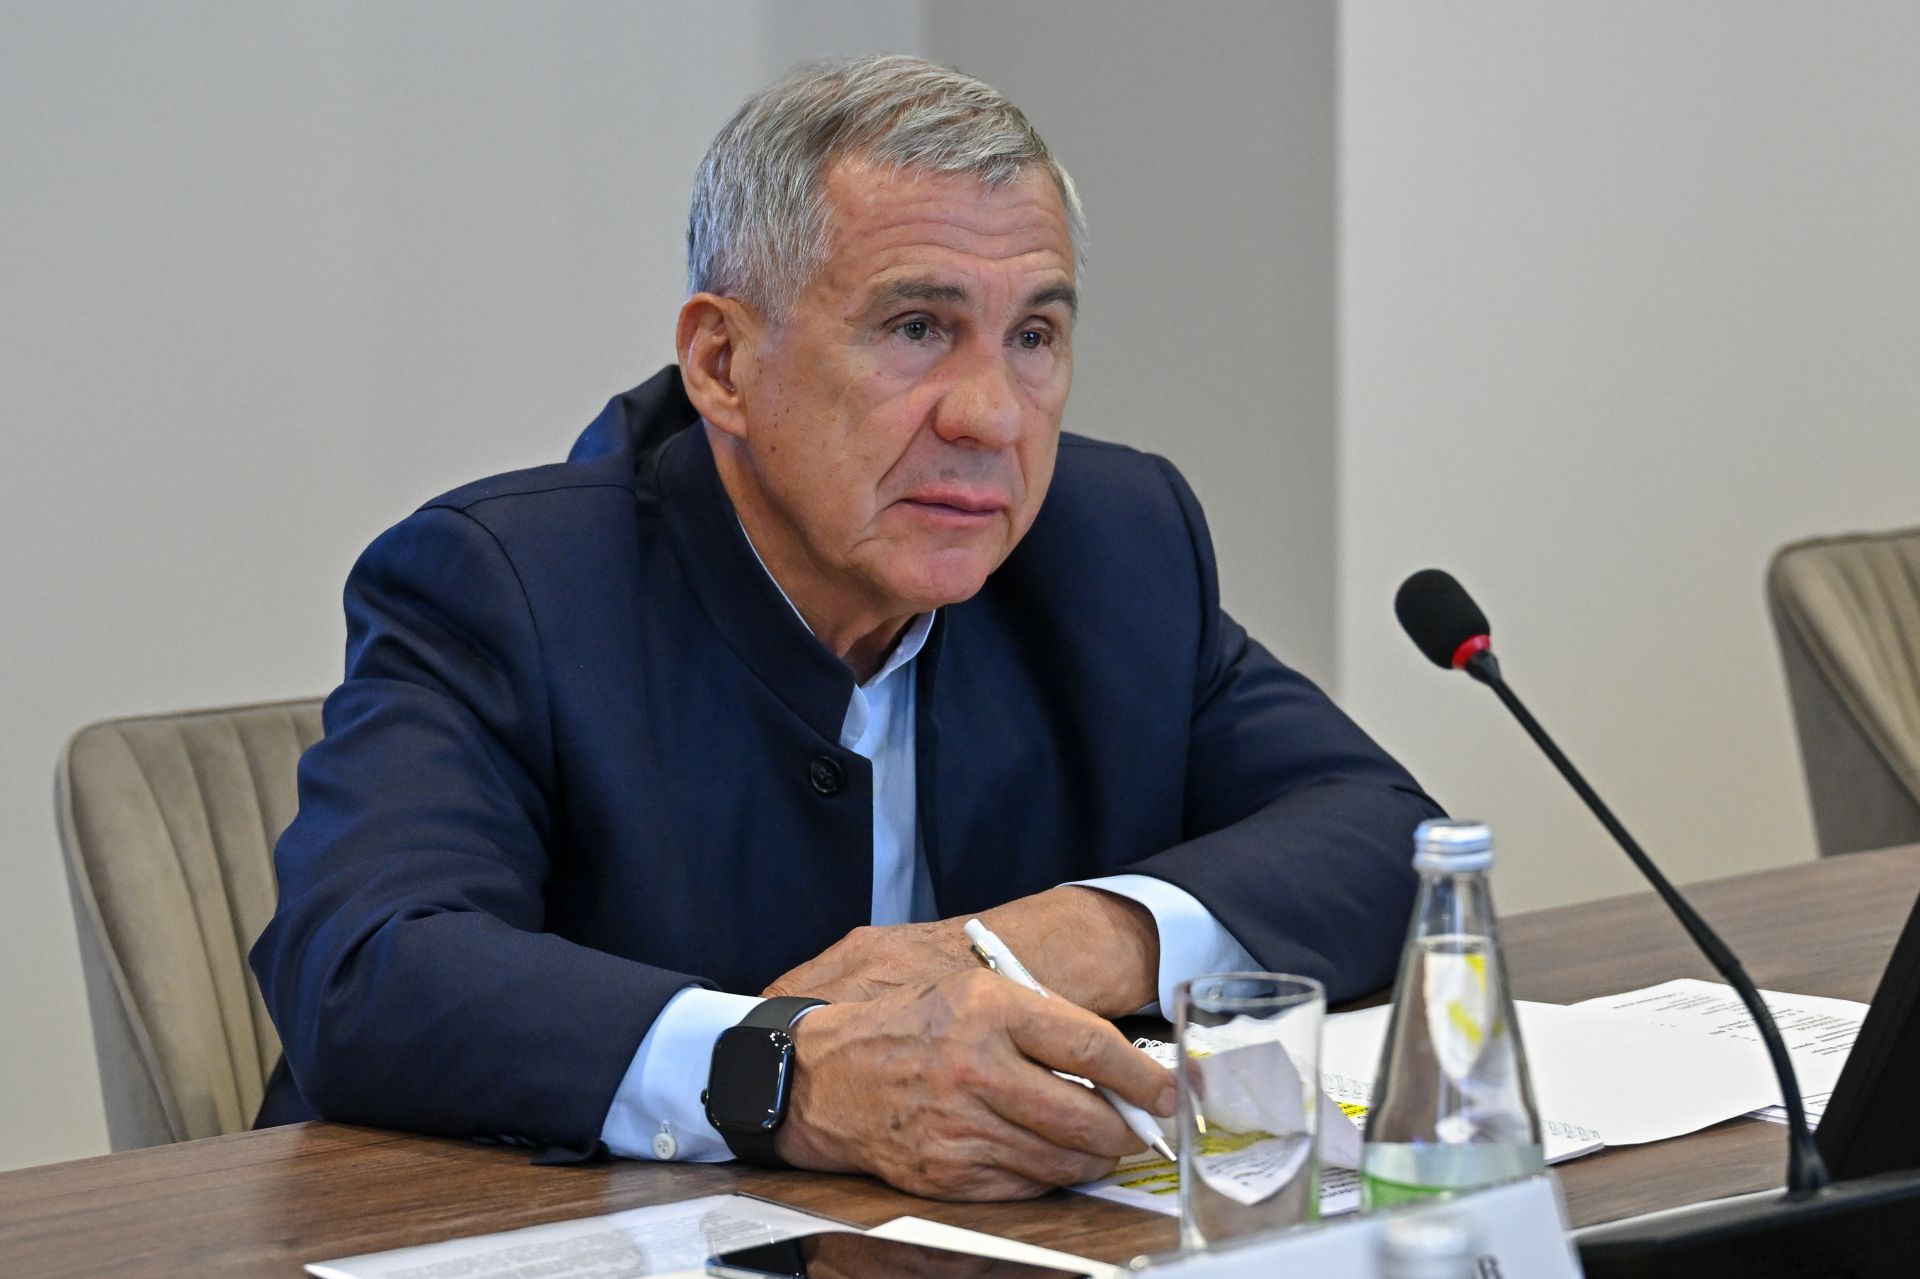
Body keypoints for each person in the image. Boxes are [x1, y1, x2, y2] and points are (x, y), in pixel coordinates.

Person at [250, 55, 1440, 1202]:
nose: (991, 416)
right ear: (722, 362)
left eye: (1033, 336)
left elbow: (1392, 837)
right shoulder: (504, 585)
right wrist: (790, 1072)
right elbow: (364, 965)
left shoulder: (1114, 546)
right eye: (916, 327)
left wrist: (1046, 942)